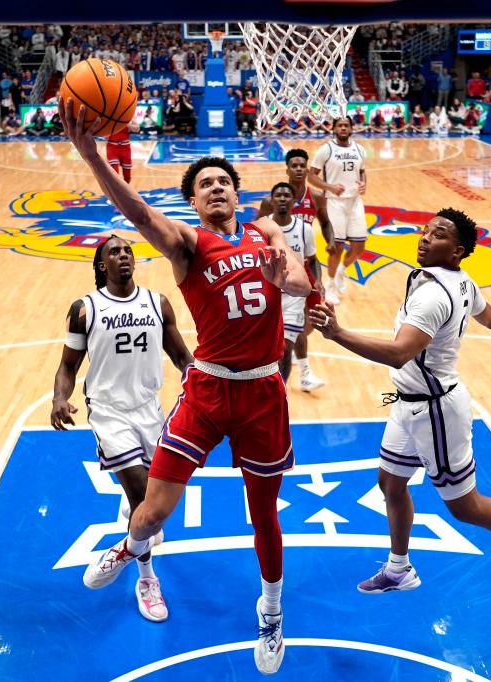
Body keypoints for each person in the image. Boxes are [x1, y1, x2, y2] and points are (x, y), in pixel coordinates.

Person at [62, 98, 311, 675]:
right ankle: (129, 548)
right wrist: (91, 155)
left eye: (224, 181)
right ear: (193, 202)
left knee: (264, 515)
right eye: (205, 185)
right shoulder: (190, 246)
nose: (217, 188)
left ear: (237, 193)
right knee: (151, 512)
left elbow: (297, 279)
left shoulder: (265, 235)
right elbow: (141, 216)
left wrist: (283, 274)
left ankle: (271, 611)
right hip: (206, 388)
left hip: (262, 392)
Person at [308, 208, 491, 596]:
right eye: (425, 231)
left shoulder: (434, 296)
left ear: (456, 251)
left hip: (436, 411)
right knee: (390, 483)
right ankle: (399, 568)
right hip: (408, 403)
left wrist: (337, 333)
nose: (424, 238)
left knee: (466, 507)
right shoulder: (461, 282)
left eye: (437, 235)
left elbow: (398, 353)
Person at [51, 235, 193, 622]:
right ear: (102, 266)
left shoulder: (157, 303)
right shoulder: (85, 309)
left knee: (154, 509)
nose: (123, 255)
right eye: (114, 252)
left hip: (151, 410)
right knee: (141, 495)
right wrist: (59, 398)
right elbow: (68, 366)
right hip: (110, 413)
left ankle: (136, 539)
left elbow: (181, 356)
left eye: (127, 250)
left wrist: (203, 386)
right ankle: (145, 578)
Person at [258, 148, 334, 391]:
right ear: (288, 168)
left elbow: (324, 226)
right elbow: (256, 239)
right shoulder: (269, 208)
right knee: (284, 330)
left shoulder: (315, 201)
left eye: (303, 165)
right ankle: (295, 368)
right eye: (295, 165)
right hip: (273, 277)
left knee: (302, 325)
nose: (299, 169)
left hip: (302, 271)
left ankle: (301, 371)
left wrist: (330, 244)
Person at [308, 116, 367, 306]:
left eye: (346, 125)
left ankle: (342, 270)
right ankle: (330, 285)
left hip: (355, 201)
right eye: (340, 125)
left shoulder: (360, 149)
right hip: (334, 202)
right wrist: (329, 186)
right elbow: (311, 176)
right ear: (334, 129)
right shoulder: (326, 149)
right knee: (337, 248)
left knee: (359, 247)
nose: (343, 128)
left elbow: (362, 171)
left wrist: (364, 184)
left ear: (351, 128)